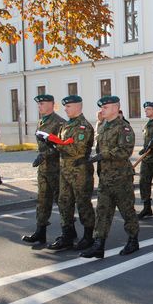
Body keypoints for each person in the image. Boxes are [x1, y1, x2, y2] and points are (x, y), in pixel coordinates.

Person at [80, 96, 139, 259]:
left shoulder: (124, 128)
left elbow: (125, 151)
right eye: (101, 108)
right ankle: (99, 245)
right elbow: (99, 147)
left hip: (121, 178)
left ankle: (133, 240)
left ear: (115, 108)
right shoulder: (104, 127)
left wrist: (102, 155)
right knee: (102, 211)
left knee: (127, 210)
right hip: (105, 177)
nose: (102, 110)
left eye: (105, 108)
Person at [47, 95, 96, 251]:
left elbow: (77, 150)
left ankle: (88, 237)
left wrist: (55, 145)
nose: (65, 109)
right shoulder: (66, 125)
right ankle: (67, 235)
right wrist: (52, 143)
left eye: (68, 106)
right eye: (65, 107)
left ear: (78, 107)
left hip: (79, 171)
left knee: (83, 203)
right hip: (65, 171)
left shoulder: (84, 127)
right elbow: (61, 144)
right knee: (64, 202)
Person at [22, 94, 66, 245]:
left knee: (62, 201)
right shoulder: (42, 121)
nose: (39, 106)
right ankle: (40, 232)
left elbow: (62, 145)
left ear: (51, 104)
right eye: (38, 104)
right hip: (43, 169)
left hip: (56, 169)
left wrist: (44, 155)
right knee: (42, 201)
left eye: (42, 104)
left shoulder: (59, 122)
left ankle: (68, 233)